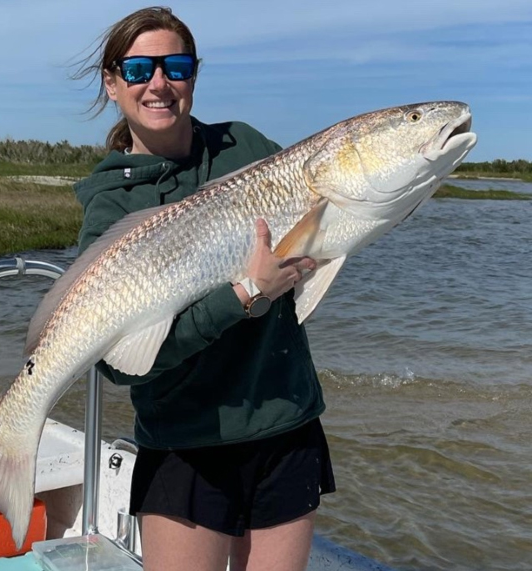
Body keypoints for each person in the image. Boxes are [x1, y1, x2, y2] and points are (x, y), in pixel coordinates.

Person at [72, 7, 335, 571]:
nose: (159, 83)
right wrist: (244, 295)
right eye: (139, 68)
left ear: (195, 75)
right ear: (112, 82)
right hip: (184, 447)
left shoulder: (246, 147)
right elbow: (120, 367)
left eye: (177, 66)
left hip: (284, 423)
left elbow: (318, 229)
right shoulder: (110, 206)